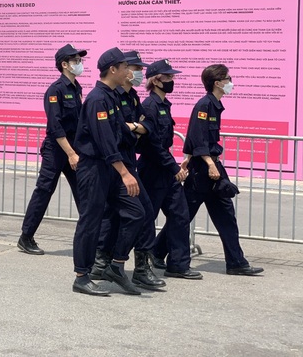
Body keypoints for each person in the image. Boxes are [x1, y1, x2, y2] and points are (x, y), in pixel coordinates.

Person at [155, 64, 264, 276]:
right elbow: (197, 137)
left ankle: (236, 262)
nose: (230, 82)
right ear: (218, 82)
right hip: (204, 171)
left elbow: (200, 137)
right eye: (228, 79)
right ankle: (157, 252)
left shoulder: (215, 105)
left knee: (226, 216)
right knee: (182, 216)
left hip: (209, 167)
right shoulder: (204, 105)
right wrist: (209, 164)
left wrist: (190, 160)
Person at [71, 47, 145, 296]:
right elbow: (104, 141)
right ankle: (82, 275)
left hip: (112, 168)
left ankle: (116, 265)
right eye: (125, 67)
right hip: (95, 168)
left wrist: (143, 130)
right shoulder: (97, 99)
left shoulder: (111, 96)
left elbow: (120, 132)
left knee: (136, 212)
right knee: (90, 221)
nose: (129, 71)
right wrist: (125, 172)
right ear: (113, 70)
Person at [89, 51, 166, 290]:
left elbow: (148, 125)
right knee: (120, 212)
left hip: (127, 161)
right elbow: (115, 130)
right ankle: (108, 263)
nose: (137, 74)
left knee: (136, 211)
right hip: (113, 162)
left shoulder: (132, 97)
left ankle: (131, 265)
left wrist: (136, 127)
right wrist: (132, 127)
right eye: (133, 68)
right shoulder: (107, 97)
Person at [17, 44, 86, 255]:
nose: (80, 63)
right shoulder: (55, 90)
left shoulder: (77, 88)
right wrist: (71, 153)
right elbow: (55, 126)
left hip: (73, 148)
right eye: (75, 60)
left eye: (80, 60)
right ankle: (26, 237)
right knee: (44, 191)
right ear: (64, 64)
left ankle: (95, 238)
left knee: (84, 191)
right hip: (57, 150)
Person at [137, 59, 202, 280]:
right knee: (147, 219)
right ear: (156, 80)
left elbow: (162, 144)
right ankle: (138, 265)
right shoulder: (149, 106)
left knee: (180, 214)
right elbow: (153, 145)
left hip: (166, 170)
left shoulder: (164, 105)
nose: (172, 81)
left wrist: (174, 166)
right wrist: (173, 166)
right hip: (153, 171)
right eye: (168, 77)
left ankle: (179, 264)